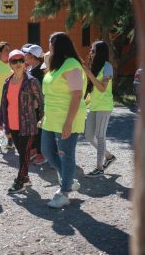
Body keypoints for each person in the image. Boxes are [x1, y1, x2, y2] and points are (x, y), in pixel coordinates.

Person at [41, 32, 87, 208]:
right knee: (47, 150)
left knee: (66, 155)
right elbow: (51, 93)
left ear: (58, 45)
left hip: (67, 118)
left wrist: (68, 123)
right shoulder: (56, 65)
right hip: (51, 117)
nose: (49, 47)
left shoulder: (72, 65)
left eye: (50, 44)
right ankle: (69, 180)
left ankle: (65, 192)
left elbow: (76, 96)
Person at [0, 49, 44, 193]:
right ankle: (26, 178)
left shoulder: (31, 81)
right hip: (12, 125)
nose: (18, 63)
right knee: (22, 153)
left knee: (24, 155)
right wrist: (0, 122)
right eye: (14, 61)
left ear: (25, 63)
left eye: (21, 60)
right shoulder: (7, 81)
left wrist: (42, 118)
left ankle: (19, 181)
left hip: (28, 125)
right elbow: (3, 104)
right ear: (10, 64)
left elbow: (42, 102)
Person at [82, 40, 116, 177]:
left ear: (100, 52)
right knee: (89, 136)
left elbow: (102, 88)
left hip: (104, 106)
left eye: (93, 50)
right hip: (94, 106)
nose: (91, 53)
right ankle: (109, 156)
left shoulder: (107, 66)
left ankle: (99, 168)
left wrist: (89, 73)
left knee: (100, 136)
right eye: (91, 50)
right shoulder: (95, 66)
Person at [22, 44, 47, 165]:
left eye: (26, 53)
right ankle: (34, 150)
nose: (24, 55)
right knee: (32, 128)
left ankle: (41, 154)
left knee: (39, 129)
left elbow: (41, 90)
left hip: (38, 105)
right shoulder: (30, 69)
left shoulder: (41, 71)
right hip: (30, 105)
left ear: (32, 57)